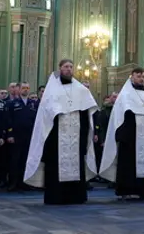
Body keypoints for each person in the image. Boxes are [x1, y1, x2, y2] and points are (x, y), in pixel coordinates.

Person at [25, 59, 98, 205]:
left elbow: (86, 114)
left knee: (76, 165)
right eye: (66, 67)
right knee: (55, 167)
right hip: (56, 138)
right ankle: (56, 197)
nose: (69, 69)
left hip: (76, 138)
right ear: (60, 69)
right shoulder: (52, 90)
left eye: (71, 67)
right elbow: (46, 115)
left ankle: (76, 196)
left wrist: (83, 136)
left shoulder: (81, 90)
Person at [99, 68, 144, 199]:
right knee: (129, 164)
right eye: (138, 76)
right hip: (130, 138)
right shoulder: (125, 95)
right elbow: (120, 116)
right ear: (132, 77)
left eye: (143, 76)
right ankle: (127, 190)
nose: (141, 78)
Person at [7, 82, 38, 191]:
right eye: (23, 88)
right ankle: (13, 183)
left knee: (26, 160)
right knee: (15, 160)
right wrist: (10, 134)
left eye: (27, 88)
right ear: (18, 89)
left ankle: (25, 182)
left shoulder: (33, 104)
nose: (26, 90)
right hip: (16, 135)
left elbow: (36, 120)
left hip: (29, 135)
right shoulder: (12, 103)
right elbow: (8, 120)